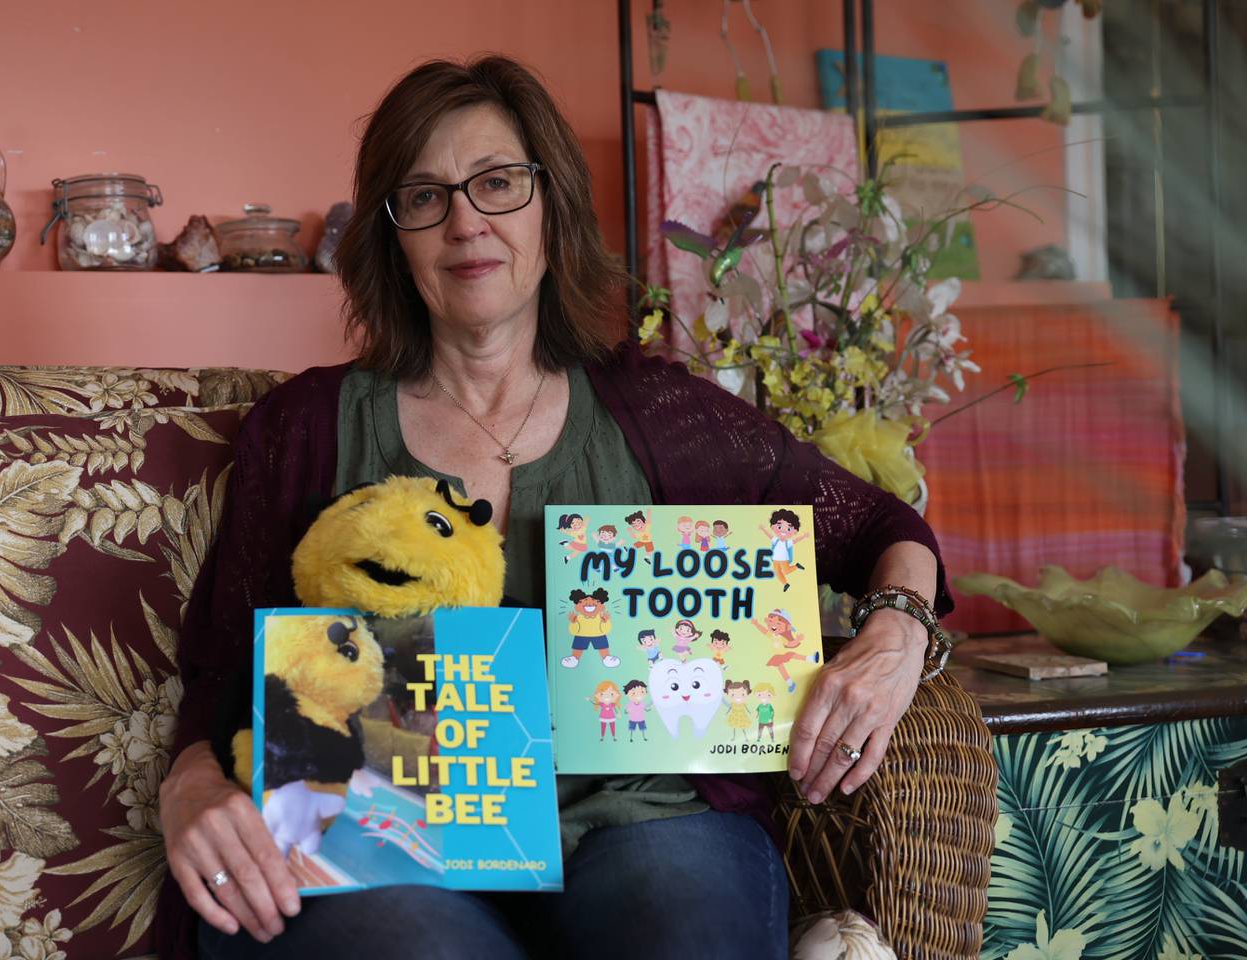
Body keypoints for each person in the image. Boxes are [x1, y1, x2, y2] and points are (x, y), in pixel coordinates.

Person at [158, 55, 950, 960]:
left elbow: (886, 529)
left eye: (497, 183)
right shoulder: (303, 427)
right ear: (392, 237)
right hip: (388, 842)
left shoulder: (661, 415)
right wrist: (191, 788)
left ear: (551, 205)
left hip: (645, 827)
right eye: (424, 196)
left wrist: (896, 635)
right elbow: (220, 676)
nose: (465, 221)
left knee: (682, 926)